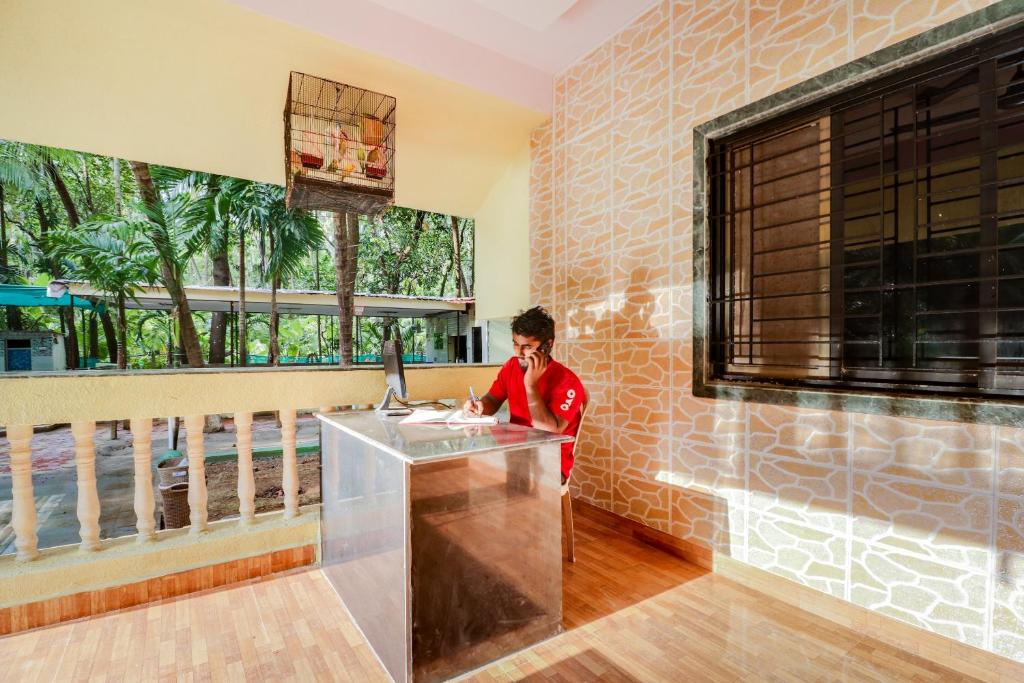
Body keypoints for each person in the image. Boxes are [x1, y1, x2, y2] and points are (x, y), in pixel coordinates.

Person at [464, 306, 586, 484]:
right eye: (515, 343)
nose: (518, 353)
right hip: (516, 452)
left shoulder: (568, 382)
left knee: (481, 474)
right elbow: (492, 399)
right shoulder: (512, 366)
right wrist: (480, 406)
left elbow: (550, 430)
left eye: (527, 346)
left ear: (548, 345)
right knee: (470, 467)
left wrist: (531, 386)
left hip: (551, 461)